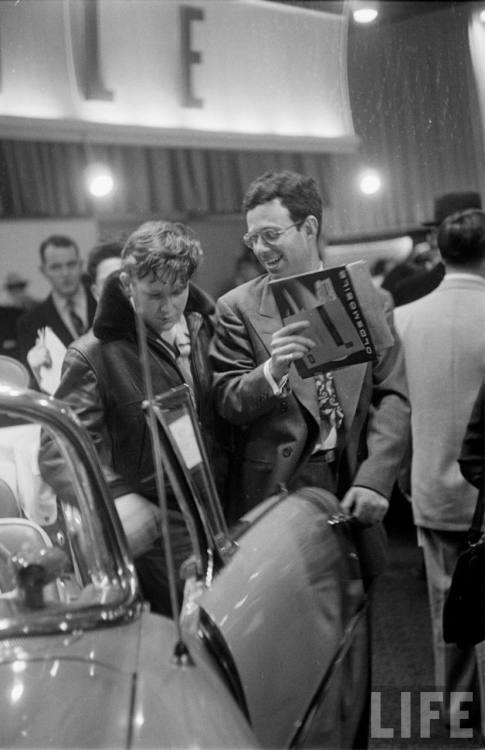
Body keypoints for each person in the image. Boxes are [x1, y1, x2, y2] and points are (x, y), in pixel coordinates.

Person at [39, 221, 227, 616]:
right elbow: (59, 449)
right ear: (126, 284)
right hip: (159, 520)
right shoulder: (93, 353)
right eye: (154, 294)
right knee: (191, 631)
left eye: (179, 292)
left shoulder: (205, 327)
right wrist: (117, 496)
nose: (168, 307)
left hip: (222, 505)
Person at [209, 170, 410, 526]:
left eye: (270, 235)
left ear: (309, 227)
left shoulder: (369, 300)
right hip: (276, 490)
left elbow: (392, 395)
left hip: (351, 479)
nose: (259, 249)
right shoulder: (236, 307)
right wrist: (272, 371)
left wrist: (375, 479)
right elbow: (227, 400)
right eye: (252, 238)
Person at [394, 208, 485, 727]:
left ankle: (454, 710)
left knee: (446, 608)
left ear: (440, 251)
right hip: (483, 488)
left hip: (430, 483)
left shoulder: (405, 318)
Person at [16, 235, 97, 385]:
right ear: (44, 270)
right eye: (56, 267)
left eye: (71, 264)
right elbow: (31, 384)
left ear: (80, 265)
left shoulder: (102, 303)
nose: (65, 273)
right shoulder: (30, 323)